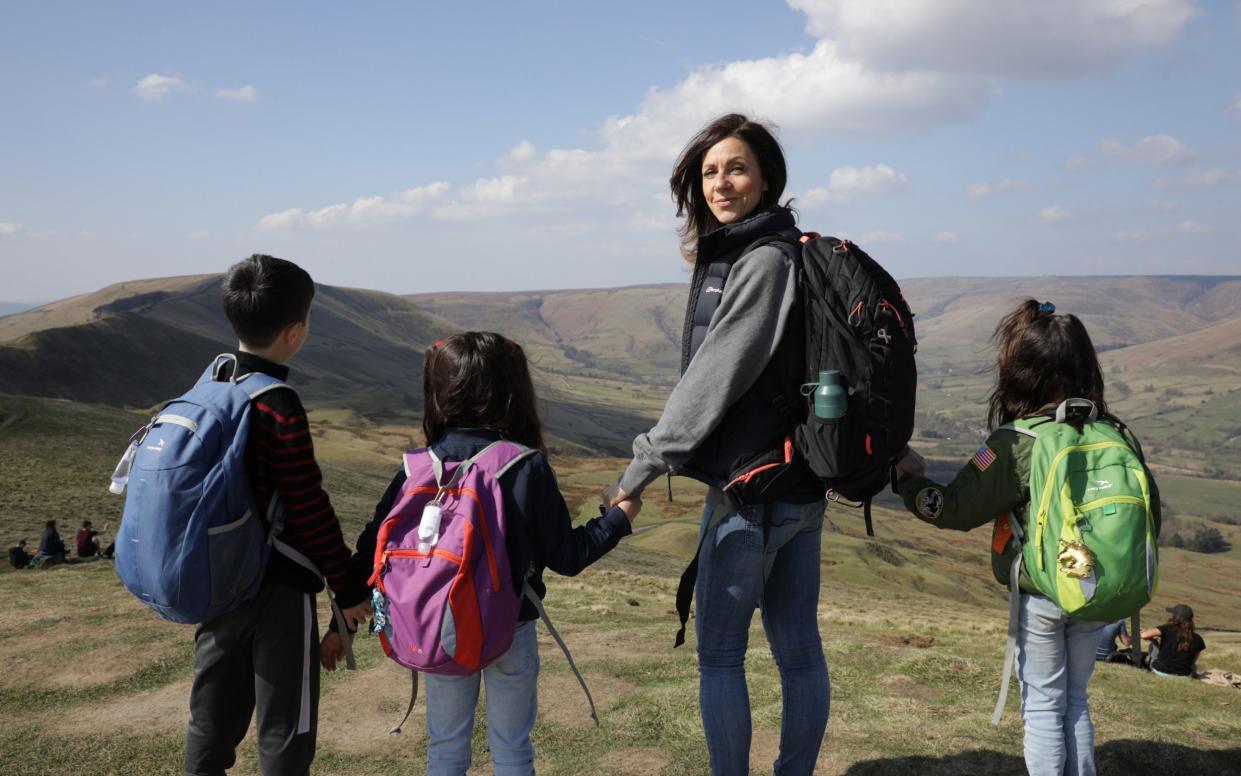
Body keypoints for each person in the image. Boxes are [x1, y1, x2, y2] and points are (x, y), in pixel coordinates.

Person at [602, 113, 828, 776]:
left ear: (765, 178)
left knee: (722, 657)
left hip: (751, 490)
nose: (721, 183)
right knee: (797, 650)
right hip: (797, 487)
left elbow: (713, 376)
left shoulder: (760, 262)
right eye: (708, 172)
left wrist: (640, 469)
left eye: (735, 168)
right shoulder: (772, 251)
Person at [321, 332, 640, 776]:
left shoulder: (417, 465)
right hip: (511, 626)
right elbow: (567, 555)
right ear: (512, 391)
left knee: (446, 750)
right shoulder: (524, 465)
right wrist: (619, 518)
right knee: (511, 750)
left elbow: (373, 548)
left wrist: (341, 625)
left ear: (440, 392)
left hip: (440, 628)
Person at [893, 299, 1159, 776]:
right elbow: (1149, 515)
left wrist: (909, 483)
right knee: (1075, 701)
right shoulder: (1119, 434)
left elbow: (953, 509)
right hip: (1099, 589)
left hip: (1041, 595)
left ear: (1022, 371)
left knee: (1041, 706)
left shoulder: (1017, 440)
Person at [183, 254, 370, 776]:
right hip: (278, 593)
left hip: (218, 582)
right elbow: (308, 507)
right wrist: (348, 591)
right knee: (285, 730)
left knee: (210, 718)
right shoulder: (277, 402)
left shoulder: (211, 384)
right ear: (294, 331)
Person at [1141, 604, 1205, 677]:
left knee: (1152, 645)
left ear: (1175, 617)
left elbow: (1144, 635)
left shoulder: (1167, 628)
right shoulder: (1198, 639)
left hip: (1160, 671)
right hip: (1183, 676)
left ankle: (1150, 668)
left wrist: (1154, 640)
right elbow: (1192, 662)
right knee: (1194, 667)